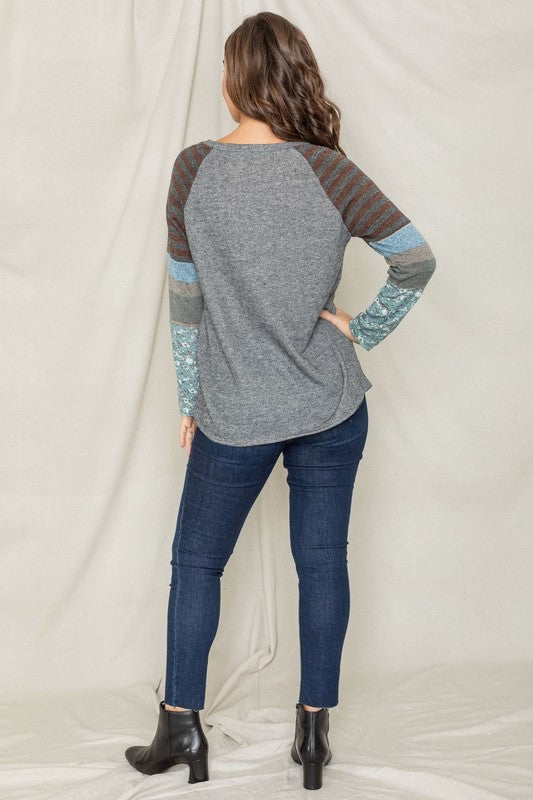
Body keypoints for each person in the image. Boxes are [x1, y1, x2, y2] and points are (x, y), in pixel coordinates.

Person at [125, 10, 436, 791]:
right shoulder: (328, 170)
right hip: (331, 403)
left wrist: (190, 397)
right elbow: (414, 259)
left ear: (236, 79)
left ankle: (180, 728)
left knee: (197, 563)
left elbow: (186, 299)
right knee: (322, 562)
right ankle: (312, 736)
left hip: (234, 408)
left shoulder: (193, 169)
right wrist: (361, 329)